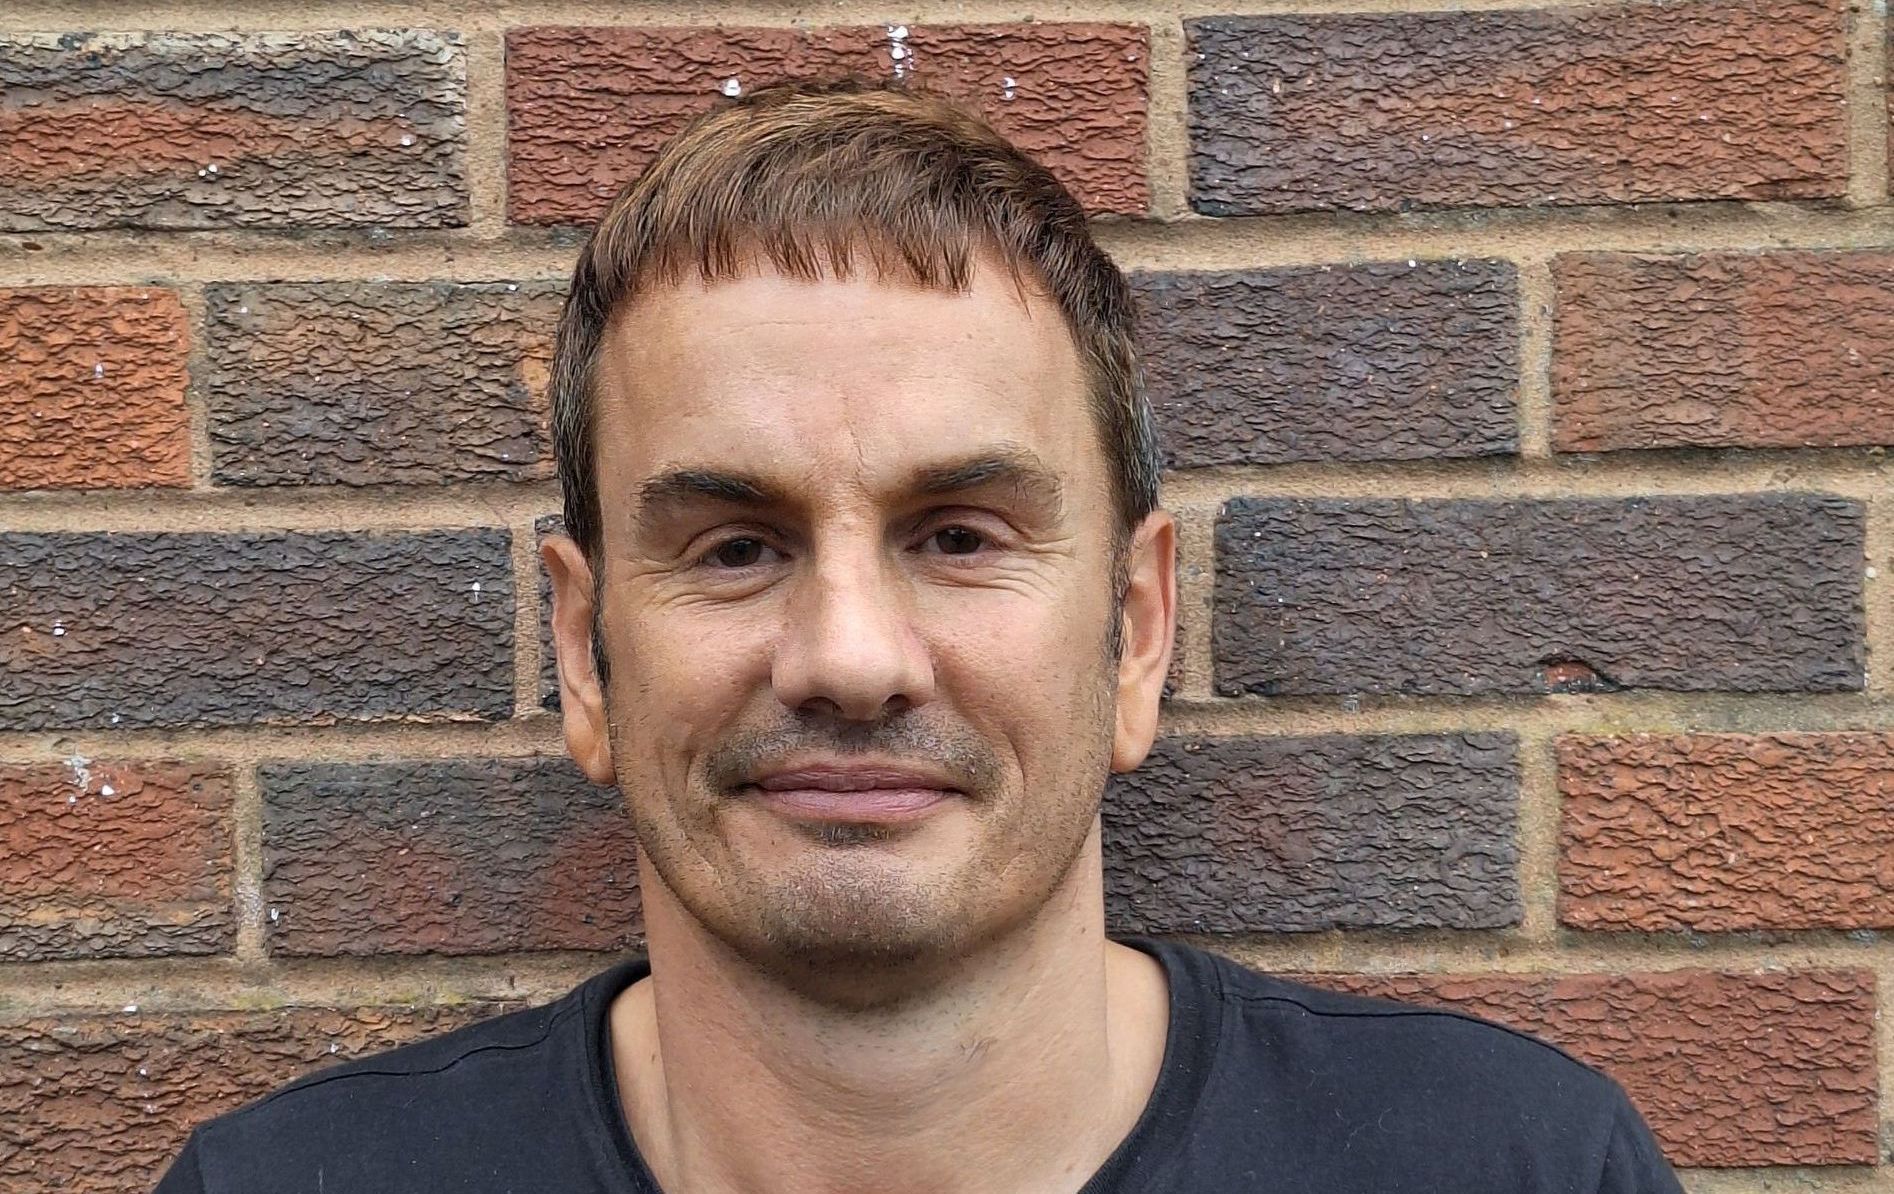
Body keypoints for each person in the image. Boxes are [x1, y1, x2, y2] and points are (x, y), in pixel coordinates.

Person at [155, 81, 1681, 1194]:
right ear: (582, 650)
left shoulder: (1510, 1165)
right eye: (734, 545)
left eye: (959, 536)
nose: (849, 656)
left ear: (1135, 630)